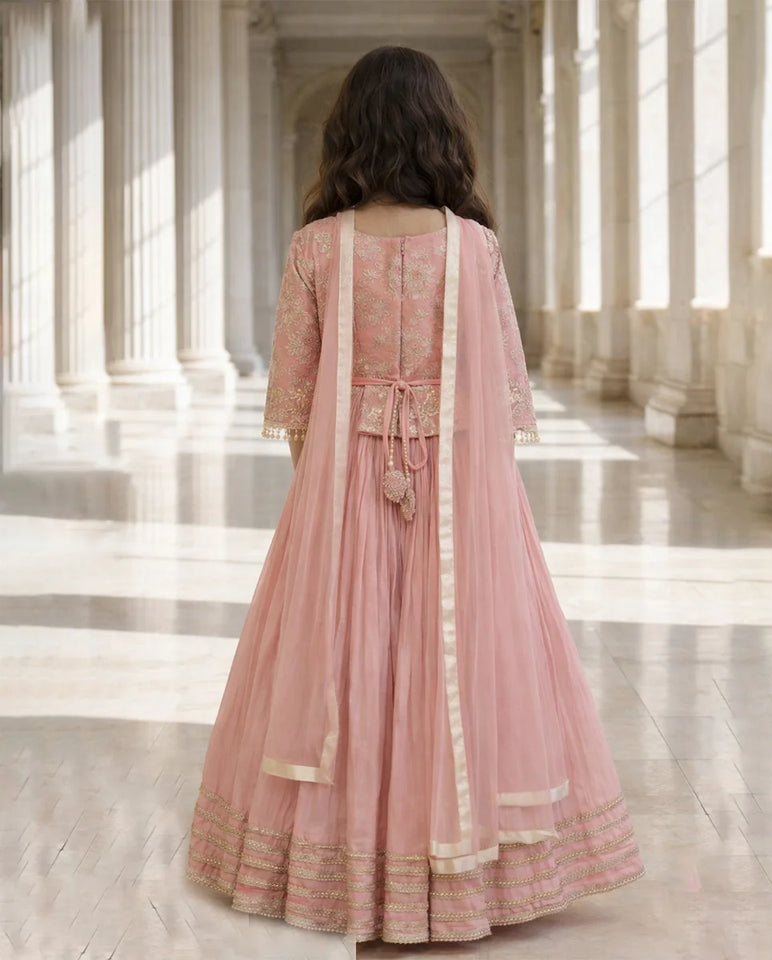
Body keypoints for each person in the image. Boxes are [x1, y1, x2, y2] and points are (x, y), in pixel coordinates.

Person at [186, 45, 644, 945]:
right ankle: (466, 858)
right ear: (442, 131)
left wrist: (332, 505)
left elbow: (294, 403)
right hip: (458, 486)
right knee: (461, 656)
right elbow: (505, 399)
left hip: (345, 478)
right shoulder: (475, 247)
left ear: (347, 131)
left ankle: (346, 856)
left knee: (344, 654)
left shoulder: (317, 246)